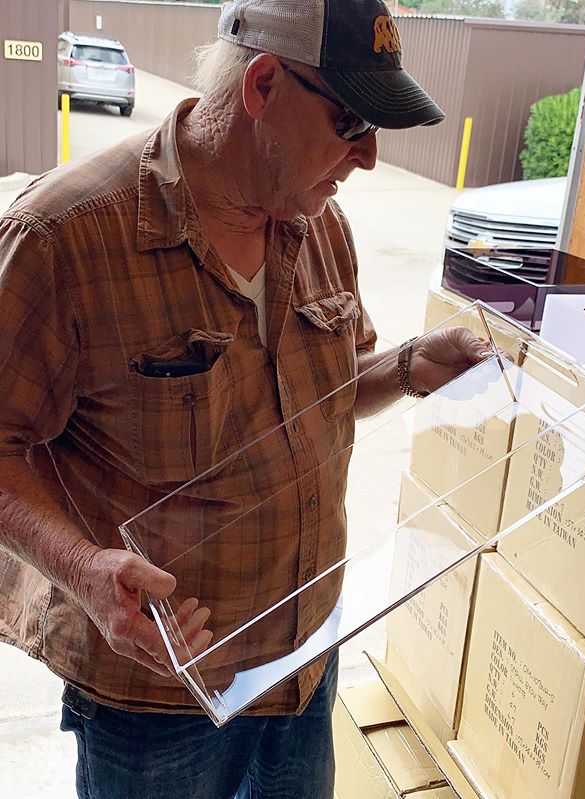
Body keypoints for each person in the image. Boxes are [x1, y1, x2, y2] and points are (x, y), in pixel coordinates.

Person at [0, 1, 491, 797]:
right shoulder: (66, 236)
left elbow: (320, 397)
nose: (369, 157)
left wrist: (406, 367)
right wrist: (88, 572)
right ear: (264, 83)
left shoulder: (320, 222)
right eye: (353, 122)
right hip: (159, 701)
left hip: (305, 665)